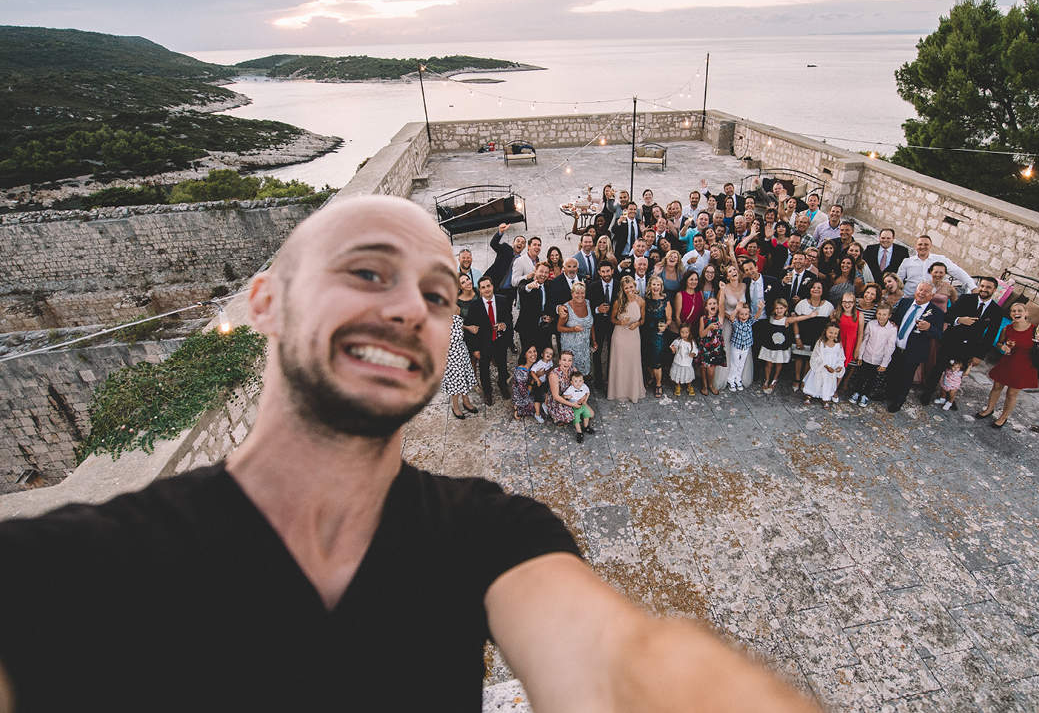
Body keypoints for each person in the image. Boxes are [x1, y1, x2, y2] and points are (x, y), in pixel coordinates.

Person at [1, 196, 822, 712]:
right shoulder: (70, 566)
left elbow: (617, 667)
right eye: (367, 272)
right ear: (265, 302)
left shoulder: (491, 535)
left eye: (437, 294)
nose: (409, 309)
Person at [920, 276, 1003, 405]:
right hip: (951, 341)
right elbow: (948, 316)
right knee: (938, 368)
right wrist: (959, 320)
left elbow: (991, 335)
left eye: (988, 287)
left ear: (994, 290)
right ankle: (927, 393)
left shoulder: (997, 311)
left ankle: (949, 398)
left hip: (969, 347)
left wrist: (979, 355)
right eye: (982, 286)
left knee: (957, 373)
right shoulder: (966, 299)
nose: (984, 289)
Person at [977, 302, 1039, 428]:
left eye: (1019, 310)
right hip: (1007, 362)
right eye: (1013, 311)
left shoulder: (1035, 330)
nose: (1016, 313)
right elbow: (999, 343)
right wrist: (1002, 347)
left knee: (1011, 393)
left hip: (1024, 366)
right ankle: (989, 409)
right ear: (1010, 314)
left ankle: (1003, 417)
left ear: (1026, 313)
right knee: (997, 387)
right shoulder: (1007, 329)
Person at [885, 282, 945, 413]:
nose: (922, 293)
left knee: (906, 377)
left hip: (914, 351)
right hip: (895, 347)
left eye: (926, 291)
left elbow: (940, 334)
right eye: (920, 289)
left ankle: (899, 400)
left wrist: (929, 328)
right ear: (916, 290)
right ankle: (887, 394)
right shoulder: (905, 302)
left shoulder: (937, 313)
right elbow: (895, 318)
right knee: (892, 372)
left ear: (932, 295)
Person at [466, 276, 514, 404]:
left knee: (502, 366)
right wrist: (475, 349)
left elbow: (509, 319)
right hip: (483, 344)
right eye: (483, 287)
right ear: (480, 290)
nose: (486, 289)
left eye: (488, 286)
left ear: (492, 286)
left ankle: (503, 385)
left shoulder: (503, 300)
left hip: (500, 341)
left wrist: (505, 325)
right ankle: (488, 391)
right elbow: (470, 331)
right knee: (484, 369)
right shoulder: (475, 306)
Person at [848, 304, 896, 406]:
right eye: (879, 314)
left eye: (884, 314)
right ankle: (857, 392)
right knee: (861, 376)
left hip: (878, 359)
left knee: (872, 379)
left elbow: (890, 347)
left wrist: (884, 363)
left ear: (889, 316)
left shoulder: (892, 329)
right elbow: (865, 340)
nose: (881, 316)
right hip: (866, 356)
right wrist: (860, 355)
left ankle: (865, 395)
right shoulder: (871, 324)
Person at [896, 235, 976, 297]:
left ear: (931, 246)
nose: (923, 247)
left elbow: (957, 272)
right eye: (920, 244)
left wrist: (973, 287)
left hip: (930, 298)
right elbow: (898, 280)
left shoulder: (940, 259)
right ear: (916, 246)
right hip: (909, 296)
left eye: (926, 244)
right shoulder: (907, 262)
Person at [608, 276, 646, 402]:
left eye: (631, 287)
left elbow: (643, 320)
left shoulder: (641, 301)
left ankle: (633, 391)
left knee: (633, 363)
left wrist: (637, 324)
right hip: (620, 335)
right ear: (623, 289)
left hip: (634, 335)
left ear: (635, 286)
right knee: (620, 363)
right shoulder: (618, 302)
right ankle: (618, 392)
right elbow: (612, 319)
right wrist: (620, 322)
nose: (629, 289)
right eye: (626, 288)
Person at [789, 281, 833, 390]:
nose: (816, 289)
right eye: (813, 287)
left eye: (819, 287)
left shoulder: (828, 306)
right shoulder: (802, 304)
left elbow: (831, 324)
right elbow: (795, 321)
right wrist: (797, 337)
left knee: (810, 359)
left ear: (823, 291)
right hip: (802, 337)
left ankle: (804, 380)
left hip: (818, 339)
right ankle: (797, 379)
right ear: (810, 290)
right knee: (799, 358)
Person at [443, 301, 482, 420]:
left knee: (464, 377)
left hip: (461, 351)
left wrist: (467, 328)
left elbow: (458, 317)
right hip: (450, 356)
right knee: (455, 382)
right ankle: (455, 406)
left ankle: (466, 400)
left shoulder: (455, 313)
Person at [586, 262, 619, 390]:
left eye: (608, 271)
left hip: (614, 324)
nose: (606, 274)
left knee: (614, 351)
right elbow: (588, 305)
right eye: (603, 272)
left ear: (612, 271)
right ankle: (598, 380)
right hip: (598, 324)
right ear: (599, 272)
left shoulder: (618, 284)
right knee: (597, 352)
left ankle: (612, 379)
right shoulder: (593, 286)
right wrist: (598, 310)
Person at [556, 281, 595, 379]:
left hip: (584, 346)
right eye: (577, 293)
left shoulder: (588, 303)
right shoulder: (566, 308)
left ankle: (581, 390)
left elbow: (591, 324)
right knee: (570, 373)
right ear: (572, 293)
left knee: (583, 372)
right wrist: (573, 329)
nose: (580, 295)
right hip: (570, 346)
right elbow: (559, 328)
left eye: (582, 293)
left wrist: (594, 340)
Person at [803, 322, 844, 406]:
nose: (833, 335)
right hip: (821, 367)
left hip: (831, 369)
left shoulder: (838, 344)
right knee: (815, 381)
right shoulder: (821, 342)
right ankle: (809, 395)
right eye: (830, 332)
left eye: (835, 333)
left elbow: (841, 356)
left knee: (827, 383)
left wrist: (840, 366)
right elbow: (816, 356)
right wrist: (825, 366)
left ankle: (825, 397)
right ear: (825, 331)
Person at [643, 276, 670, 398]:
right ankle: (652, 377)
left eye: (658, 285)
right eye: (654, 284)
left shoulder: (665, 300)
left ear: (661, 287)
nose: (656, 287)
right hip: (646, 333)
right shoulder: (646, 299)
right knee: (647, 358)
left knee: (657, 360)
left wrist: (665, 326)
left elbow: (669, 319)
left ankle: (658, 384)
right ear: (650, 286)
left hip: (658, 334)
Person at [517, 263, 554, 353]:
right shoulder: (526, 283)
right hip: (527, 327)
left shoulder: (549, 285)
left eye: (546, 272)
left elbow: (550, 304)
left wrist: (550, 317)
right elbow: (522, 289)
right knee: (528, 355)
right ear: (535, 271)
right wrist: (529, 287)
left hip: (543, 328)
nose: (543, 274)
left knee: (543, 355)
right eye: (541, 271)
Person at [758, 297, 792, 393]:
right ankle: (767, 379)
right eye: (777, 308)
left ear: (785, 308)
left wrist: (811, 315)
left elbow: (798, 318)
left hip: (780, 347)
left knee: (778, 363)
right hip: (770, 345)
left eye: (781, 308)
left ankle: (774, 379)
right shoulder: (771, 318)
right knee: (769, 363)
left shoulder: (787, 320)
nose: (779, 310)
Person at [696, 296, 726, 395]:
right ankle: (704, 386)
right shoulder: (703, 318)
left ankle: (711, 385)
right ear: (706, 307)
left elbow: (721, 304)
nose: (713, 305)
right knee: (704, 367)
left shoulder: (720, 318)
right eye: (710, 304)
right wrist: (708, 327)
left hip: (715, 348)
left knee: (711, 370)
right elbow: (701, 334)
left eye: (714, 303)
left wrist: (722, 289)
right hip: (705, 346)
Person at [545, 350, 578, 425]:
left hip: (569, 395)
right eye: (564, 360)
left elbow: (580, 384)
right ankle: (550, 410)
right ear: (559, 361)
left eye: (570, 360)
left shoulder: (573, 370)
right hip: (557, 399)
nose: (567, 363)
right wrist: (572, 405)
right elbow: (556, 396)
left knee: (589, 413)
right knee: (568, 417)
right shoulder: (554, 375)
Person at [727, 303, 755, 391]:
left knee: (741, 364)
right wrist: (736, 309)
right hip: (736, 346)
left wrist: (760, 309)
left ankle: (738, 379)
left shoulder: (750, 322)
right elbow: (731, 318)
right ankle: (730, 380)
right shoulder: (736, 322)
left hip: (745, 346)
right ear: (738, 315)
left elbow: (756, 317)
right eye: (741, 314)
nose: (744, 316)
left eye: (746, 314)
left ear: (749, 315)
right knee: (734, 363)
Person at [563, 370, 595, 443]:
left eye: (580, 381)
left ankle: (586, 427)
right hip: (575, 406)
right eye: (576, 381)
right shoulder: (570, 389)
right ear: (571, 382)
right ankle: (579, 432)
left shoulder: (584, 386)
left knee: (587, 414)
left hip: (582, 405)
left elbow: (588, 393)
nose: (578, 383)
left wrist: (585, 401)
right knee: (576, 418)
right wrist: (567, 396)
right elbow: (564, 396)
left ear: (583, 381)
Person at [668, 325, 699, 396]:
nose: (684, 334)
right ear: (679, 332)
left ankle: (689, 386)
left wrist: (693, 354)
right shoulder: (678, 341)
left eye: (686, 332)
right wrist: (673, 349)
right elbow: (673, 349)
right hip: (678, 361)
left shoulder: (692, 342)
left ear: (689, 332)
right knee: (677, 375)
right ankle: (678, 386)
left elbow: (695, 350)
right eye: (682, 332)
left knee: (688, 375)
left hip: (687, 363)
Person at [511, 346, 540, 421]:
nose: (533, 354)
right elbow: (524, 393)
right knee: (539, 407)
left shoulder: (534, 366)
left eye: (534, 351)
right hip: (522, 398)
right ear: (525, 355)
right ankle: (519, 410)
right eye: (530, 352)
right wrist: (533, 381)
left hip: (530, 393)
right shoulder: (521, 372)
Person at [529, 346, 556, 422]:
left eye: (551, 354)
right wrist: (537, 380)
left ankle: (545, 403)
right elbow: (532, 372)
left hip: (544, 381)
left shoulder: (550, 362)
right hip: (537, 383)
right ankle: (537, 414)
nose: (549, 355)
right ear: (542, 354)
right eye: (547, 353)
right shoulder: (539, 363)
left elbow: (551, 369)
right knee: (537, 398)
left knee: (547, 391)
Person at [675, 270, 704, 335]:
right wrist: (683, 332)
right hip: (686, 332)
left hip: (698, 330)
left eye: (696, 279)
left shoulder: (700, 293)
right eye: (691, 279)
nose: (694, 282)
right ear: (686, 281)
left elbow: (702, 312)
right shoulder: (680, 295)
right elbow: (677, 317)